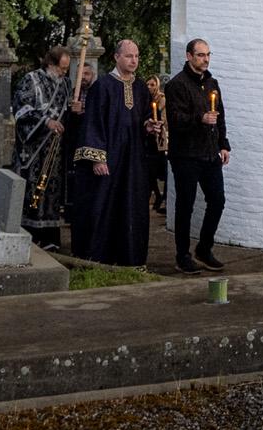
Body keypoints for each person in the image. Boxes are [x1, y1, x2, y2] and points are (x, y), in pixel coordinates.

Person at [65, 36, 158, 268]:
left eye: (136, 56)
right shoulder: (102, 86)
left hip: (133, 159)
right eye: (128, 56)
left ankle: (129, 258)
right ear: (117, 58)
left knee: (131, 205)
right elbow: (93, 123)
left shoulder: (140, 88)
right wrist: (97, 158)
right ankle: (98, 258)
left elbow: (144, 118)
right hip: (109, 159)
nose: (134, 60)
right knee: (104, 205)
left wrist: (149, 126)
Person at [163, 38, 231, 273]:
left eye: (208, 54)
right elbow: (175, 119)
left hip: (210, 153)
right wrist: (199, 118)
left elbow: (220, 116)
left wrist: (224, 144)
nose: (206, 59)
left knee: (218, 200)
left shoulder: (212, 83)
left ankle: (204, 248)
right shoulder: (177, 85)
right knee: (185, 205)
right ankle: (182, 255)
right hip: (185, 155)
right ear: (189, 56)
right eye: (201, 55)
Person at [9, 43, 74, 234]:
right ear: (50, 64)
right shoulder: (31, 80)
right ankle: (28, 233)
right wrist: (46, 122)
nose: (64, 72)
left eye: (67, 68)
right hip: (33, 149)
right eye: (62, 68)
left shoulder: (66, 84)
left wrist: (75, 110)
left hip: (55, 149)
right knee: (32, 191)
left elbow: (67, 112)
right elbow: (22, 109)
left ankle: (49, 238)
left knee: (52, 193)